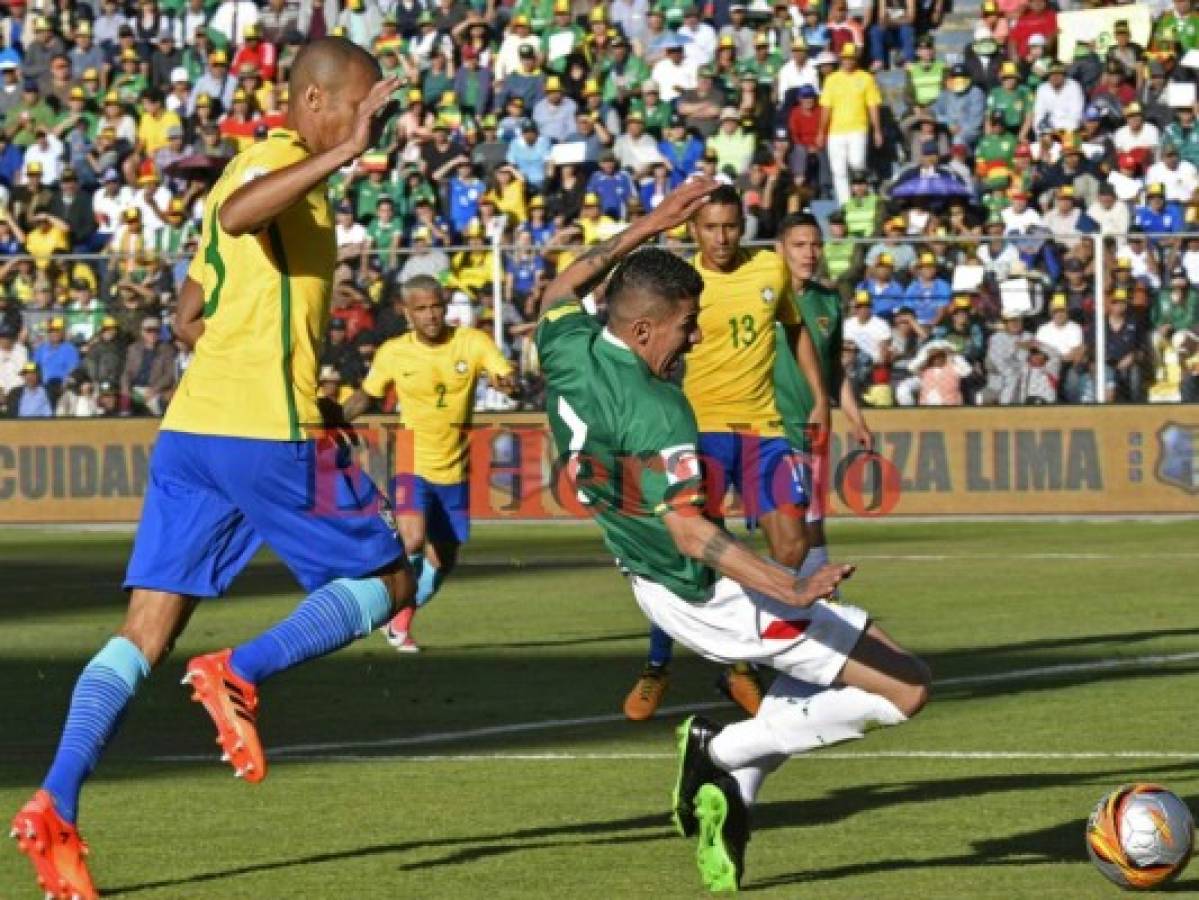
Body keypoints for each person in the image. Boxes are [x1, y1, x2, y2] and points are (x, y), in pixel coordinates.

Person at [10, 39, 417, 900]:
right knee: (392, 578)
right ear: (315, 101)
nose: (367, 125)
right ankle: (241, 672)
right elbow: (237, 217)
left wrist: (284, 370)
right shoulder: (273, 163)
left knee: (142, 634)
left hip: (197, 431)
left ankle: (56, 800)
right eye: (357, 108)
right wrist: (344, 153)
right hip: (261, 431)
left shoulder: (272, 173)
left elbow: (193, 313)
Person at [534, 177, 929, 891]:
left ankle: (734, 795)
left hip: (647, 582)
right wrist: (791, 583)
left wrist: (654, 220)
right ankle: (720, 750)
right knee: (904, 690)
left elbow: (563, 283)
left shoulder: (567, 347)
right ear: (646, 330)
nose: (697, 335)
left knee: (805, 681)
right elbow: (689, 530)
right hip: (711, 595)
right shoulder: (659, 411)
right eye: (688, 324)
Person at [622, 185, 805, 723]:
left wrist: (816, 398)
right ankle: (658, 665)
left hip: (762, 431)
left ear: (743, 223)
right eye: (711, 228)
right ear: (693, 231)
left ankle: (739, 661)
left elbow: (795, 333)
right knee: (690, 555)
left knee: (792, 546)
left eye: (731, 226)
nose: (722, 237)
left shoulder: (772, 270)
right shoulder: (678, 285)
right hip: (693, 432)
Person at [342, 275, 515, 653]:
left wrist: (508, 382)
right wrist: (335, 422)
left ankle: (399, 619)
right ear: (407, 312)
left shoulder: (471, 342)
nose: (432, 315)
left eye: (437, 306)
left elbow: (504, 373)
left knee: (444, 559)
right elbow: (366, 397)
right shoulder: (393, 352)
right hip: (411, 456)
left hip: (456, 463)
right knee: (413, 539)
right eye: (421, 309)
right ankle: (371, 599)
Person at [772, 213, 874, 625]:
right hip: (765, 426)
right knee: (790, 524)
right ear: (780, 249)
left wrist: (856, 417)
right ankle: (792, 602)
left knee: (812, 519)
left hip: (812, 427)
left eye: (815, 244)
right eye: (799, 245)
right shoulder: (763, 298)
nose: (809, 253)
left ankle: (820, 600)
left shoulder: (827, 301)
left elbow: (834, 370)